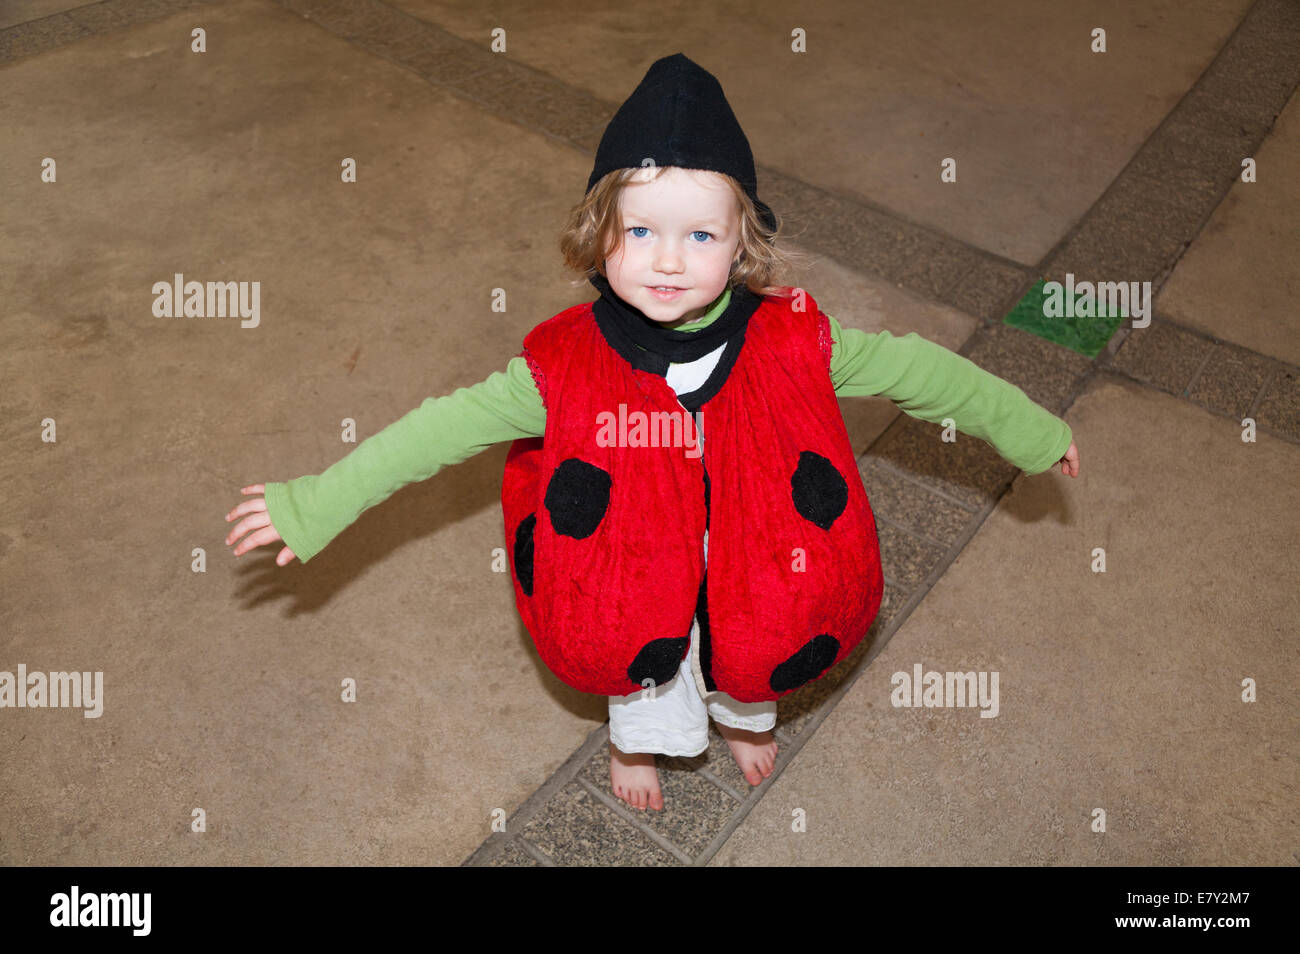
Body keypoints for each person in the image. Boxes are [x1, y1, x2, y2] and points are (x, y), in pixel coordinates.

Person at [226, 54, 1080, 814]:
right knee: (637, 658)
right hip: (633, 565)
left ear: (744, 244)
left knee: (758, 644)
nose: (668, 261)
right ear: (599, 232)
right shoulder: (559, 370)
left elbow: (928, 373)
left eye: (700, 235)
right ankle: (635, 742)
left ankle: (746, 715)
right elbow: (435, 431)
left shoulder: (798, 341)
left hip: (756, 554)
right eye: (640, 231)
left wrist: (1031, 431)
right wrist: (320, 502)